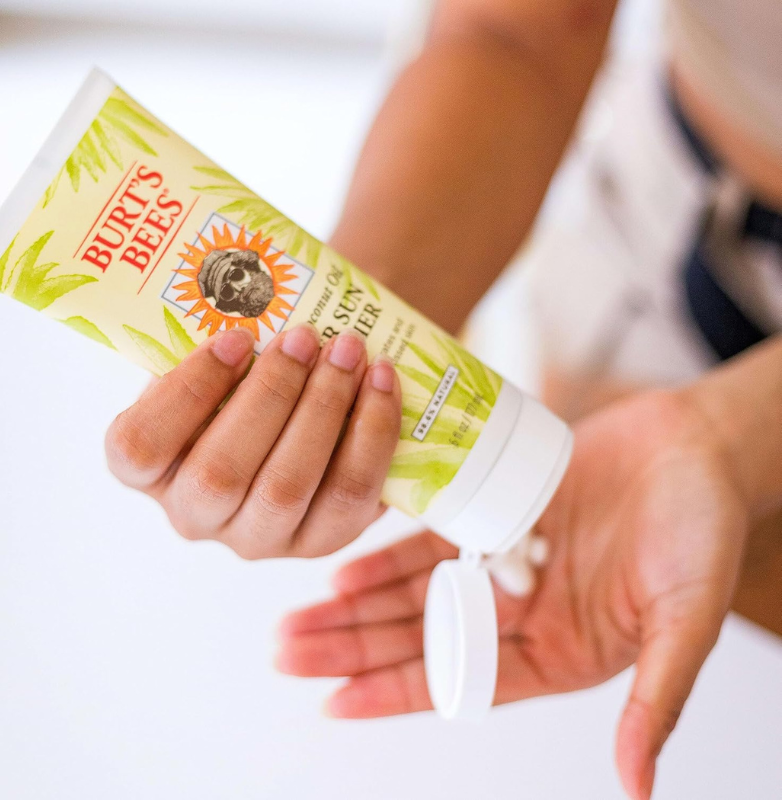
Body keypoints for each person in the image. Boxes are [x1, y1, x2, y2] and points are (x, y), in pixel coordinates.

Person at [105, 0, 782, 797]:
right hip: (676, 225)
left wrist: (738, 430)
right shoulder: (624, 457)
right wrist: (357, 326)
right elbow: (515, 31)